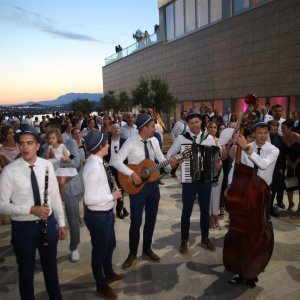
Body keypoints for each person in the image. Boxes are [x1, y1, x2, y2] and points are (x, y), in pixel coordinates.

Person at [0, 125, 67, 300]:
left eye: (29, 143)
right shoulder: (9, 171)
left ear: (38, 145)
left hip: (49, 224)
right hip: (23, 229)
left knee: (51, 269)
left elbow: (54, 196)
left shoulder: (46, 166)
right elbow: (2, 205)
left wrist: (61, 223)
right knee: (26, 273)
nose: (25, 147)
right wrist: (30, 209)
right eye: (21, 143)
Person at [111, 113, 176, 270]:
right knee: (136, 222)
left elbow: (163, 163)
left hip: (153, 187)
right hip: (137, 189)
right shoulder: (131, 142)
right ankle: (132, 253)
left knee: (151, 220)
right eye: (153, 126)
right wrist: (132, 174)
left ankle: (146, 249)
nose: (155, 128)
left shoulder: (154, 141)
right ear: (145, 128)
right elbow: (115, 161)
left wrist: (172, 164)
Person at [227, 120, 279, 286]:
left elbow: (262, 165)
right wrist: (230, 186)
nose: (263, 136)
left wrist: (247, 148)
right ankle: (241, 267)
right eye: (260, 133)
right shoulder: (245, 146)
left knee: (258, 232)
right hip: (245, 193)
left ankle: (254, 268)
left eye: (266, 133)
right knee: (243, 232)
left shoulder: (273, 150)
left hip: (263, 194)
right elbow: (236, 169)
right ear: (254, 134)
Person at [167, 110, 222, 254]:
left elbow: (216, 157)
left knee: (205, 210)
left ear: (201, 122)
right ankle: (184, 240)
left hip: (205, 179)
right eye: (191, 123)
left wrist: (218, 163)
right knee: (187, 211)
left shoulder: (208, 138)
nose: (194, 125)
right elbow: (170, 154)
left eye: (197, 122)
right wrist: (177, 159)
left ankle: (205, 237)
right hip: (189, 180)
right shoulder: (181, 138)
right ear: (187, 124)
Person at [83, 130, 125, 299]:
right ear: (100, 146)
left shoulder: (100, 162)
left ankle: (109, 273)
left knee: (110, 245)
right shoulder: (93, 167)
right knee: (99, 252)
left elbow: (104, 188)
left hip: (106, 213)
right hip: (97, 217)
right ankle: (101, 285)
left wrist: (112, 209)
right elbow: (89, 198)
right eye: (106, 143)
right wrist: (112, 197)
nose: (109, 144)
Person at [105, 123, 129, 219]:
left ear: (120, 130)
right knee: (109, 190)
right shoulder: (107, 142)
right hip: (109, 168)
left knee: (120, 190)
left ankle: (119, 210)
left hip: (121, 168)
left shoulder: (125, 141)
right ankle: (108, 211)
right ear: (111, 130)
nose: (116, 129)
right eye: (113, 128)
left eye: (118, 128)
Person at [45, 128, 77, 198]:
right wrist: (50, 154)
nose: (51, 140)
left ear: (58, 137)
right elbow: (47, 158)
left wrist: (65, 158)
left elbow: (67, 157)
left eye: (53, 138)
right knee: (53, 183)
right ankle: (54, 197)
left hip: (62, 167)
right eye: (49, 138)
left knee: (61, 182)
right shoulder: (49, 147)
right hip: (53, 166)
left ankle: (60, 198)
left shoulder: (62, 146)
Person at [281, 119, 300, 213]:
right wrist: (290, 162)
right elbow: (285, 153)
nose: (282, 130)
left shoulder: (297, 137)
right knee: (289, 184)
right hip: (290, 164)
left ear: (290, 128)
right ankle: (291, 203)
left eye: (283, 128)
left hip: (299, 162)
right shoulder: (283, 138)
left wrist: (296, 163)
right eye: (281, 128)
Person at [170, 110, 188, 178]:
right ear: (181, 115)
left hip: (186, 144)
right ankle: (173, 171)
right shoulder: (178, 123)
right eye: (184, 114)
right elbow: (172, 133)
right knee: (178, 159)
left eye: (186, 114)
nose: (185, 115)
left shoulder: (189, 123)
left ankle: (185, 174)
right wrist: (175, 143)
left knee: (185, 160)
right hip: (179, 145)